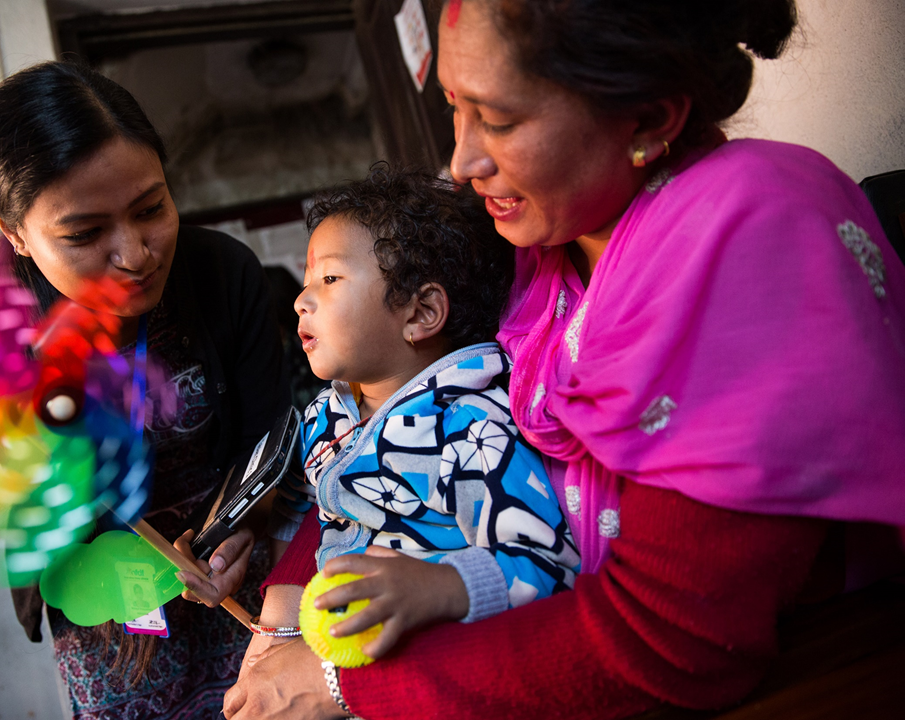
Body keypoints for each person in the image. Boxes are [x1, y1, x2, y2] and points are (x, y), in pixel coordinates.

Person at [218, 1, 905, 718]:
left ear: (647, 119)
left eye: (501, 119)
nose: (463, 160)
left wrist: (339, 684)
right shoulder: (536, 251)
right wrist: (287, 610)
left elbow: (674, 641)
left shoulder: (751, 233)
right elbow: (367, 436)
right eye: (456, 108)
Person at [0, 61, 287, 720]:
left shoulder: (223, 272)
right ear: (14, 232)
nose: (137, 253)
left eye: (152, 208)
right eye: (85, 234)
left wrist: (241, 529)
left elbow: (270, 440)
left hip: (233, 572)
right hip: (103, 614)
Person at [252, 165, 579, 662]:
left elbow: (546, 564)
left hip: (438, 664)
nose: (301, 300)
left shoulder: (468, 429)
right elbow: (298, 496)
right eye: (306, 281)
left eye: (330, 277)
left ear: (421, 313)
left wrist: (438, 585)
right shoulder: (327, 413)